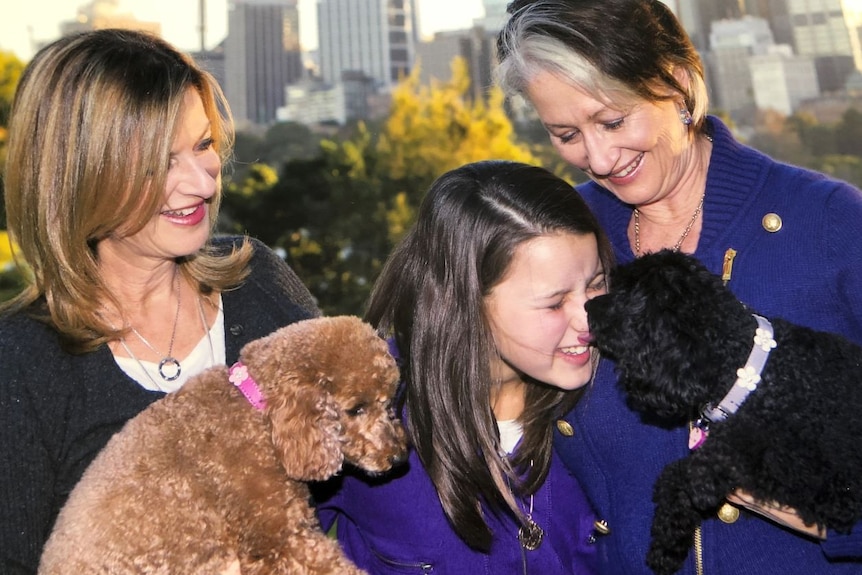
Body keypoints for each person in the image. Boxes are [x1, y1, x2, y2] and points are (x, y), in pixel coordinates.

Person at [495, 1, 862, 573]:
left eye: (613, 121)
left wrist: (830, 516)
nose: (598, 157)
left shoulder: (832, 225)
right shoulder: (557, 236)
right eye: (565, 133)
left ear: (679, 86)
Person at [0, 29, 319, 574]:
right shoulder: (20, 364)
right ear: (78, 176)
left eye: (202, 145)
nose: (200, 183)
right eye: (159, 163)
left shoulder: (258, 281)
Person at [313, 160, 611, 574]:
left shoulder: (623, 400)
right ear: (467, 302)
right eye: (555, 302)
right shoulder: (355, 412)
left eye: (596, 284)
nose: (590, 318)